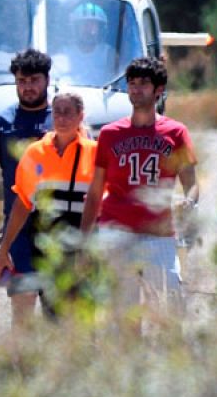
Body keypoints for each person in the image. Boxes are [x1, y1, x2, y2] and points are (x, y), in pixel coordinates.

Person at [79, 56, 200, 321]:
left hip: (158, 232)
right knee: (122, 314)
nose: (136, 89)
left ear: (158, 90)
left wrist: (188, 203)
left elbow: (191, 184)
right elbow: (95, 191)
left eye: (143, 83)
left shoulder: (176, 132)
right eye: (132, 83)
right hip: (116, 230)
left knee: (170, 306)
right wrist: (84, 242)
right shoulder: (110, 134)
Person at [0, 91, 96, 327]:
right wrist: (4, 248)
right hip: (47, 247)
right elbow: (23, 204)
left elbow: (104, 203)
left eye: (68, 112)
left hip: (83, 246)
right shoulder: (35, 152)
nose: (61, 118)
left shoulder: (94, 152)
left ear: (80, 116)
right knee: (54, 319)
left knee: (84, 322)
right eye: (57, 112)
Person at [0, 50, 54, 298]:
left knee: (60, 309)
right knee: (21, 304)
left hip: (59, 226)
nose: (28, 87)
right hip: (17, 228)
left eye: (34, 80)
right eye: (21, 81)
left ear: (47, 80)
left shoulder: (63, 120)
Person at [54, 2, 117, 86]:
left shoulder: (109, 54)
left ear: (101, 29)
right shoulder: (64, 53)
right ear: (75, 28)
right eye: (85, 24)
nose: (89, 29)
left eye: (93, 25)